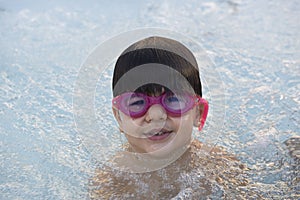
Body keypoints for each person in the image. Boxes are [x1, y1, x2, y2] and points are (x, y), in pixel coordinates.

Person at [90, 36, 252, 199]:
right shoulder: (112, 179)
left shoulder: (218, 165)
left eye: (174, 100)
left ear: (198, 112)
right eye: (138, 102)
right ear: (118, 116)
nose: (156, 115)